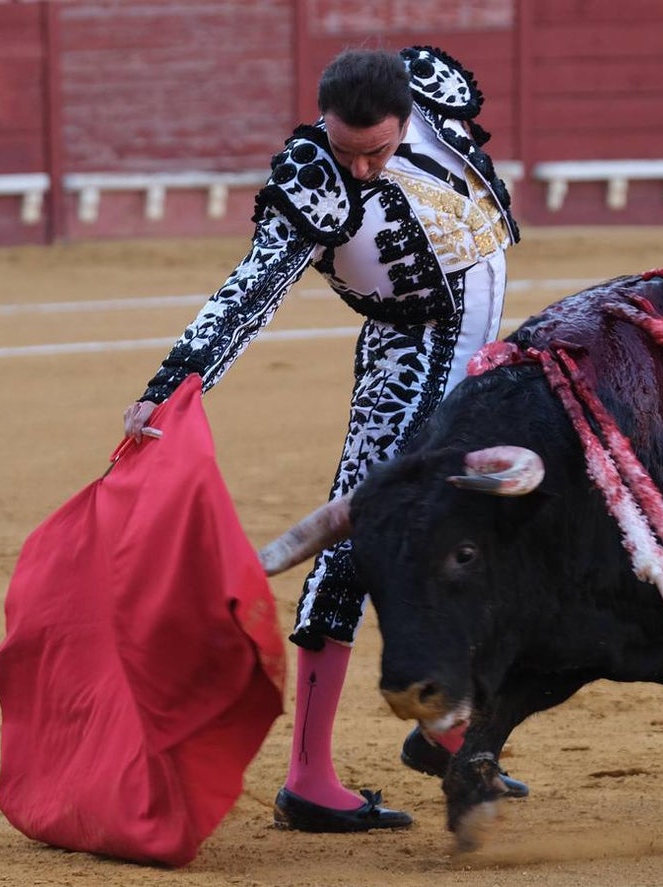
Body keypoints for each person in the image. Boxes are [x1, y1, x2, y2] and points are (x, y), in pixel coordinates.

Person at [122, 46, 527, 832]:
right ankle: (311, 776)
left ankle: (447, 733)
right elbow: (251, 290)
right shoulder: (316, 177)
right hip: (408, 366)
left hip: (482, 365)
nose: (363, 170)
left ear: (406, 119)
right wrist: (173, 385)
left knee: (488, 531)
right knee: (353, 543)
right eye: (347, 151)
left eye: (376, 151)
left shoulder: (431, 98)